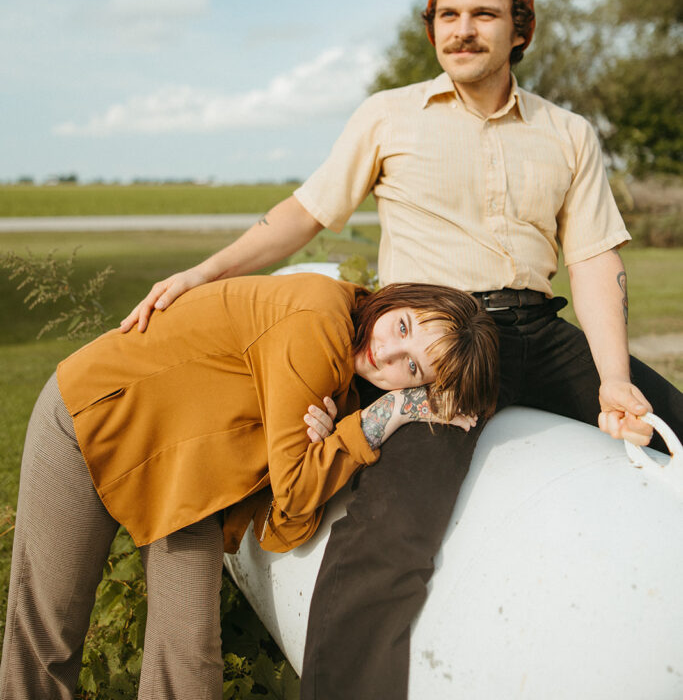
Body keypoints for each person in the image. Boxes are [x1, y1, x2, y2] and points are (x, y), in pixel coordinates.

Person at [119, 0, 683, 699]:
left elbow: (591, 262)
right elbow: (303, 215)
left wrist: (613, 380)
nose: (461, 30)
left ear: (519, 29)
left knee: (673, 423)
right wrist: (204, 272)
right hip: (436, 350)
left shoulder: (567, 133)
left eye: (482, 14)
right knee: (392, 534)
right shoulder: (388, 116)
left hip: (537, 333)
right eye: (447, 16)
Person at [0, 272, 498, 700]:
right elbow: (299, 492)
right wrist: (388, 412)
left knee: (188, 662)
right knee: (48, 637)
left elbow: (287, 525)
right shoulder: (320, 321)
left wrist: (336, 441)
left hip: (186, 475)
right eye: (403, 326)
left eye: (411, 369)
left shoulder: (346, 383)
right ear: (400, 297)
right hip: (97, 417)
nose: (388, 352)